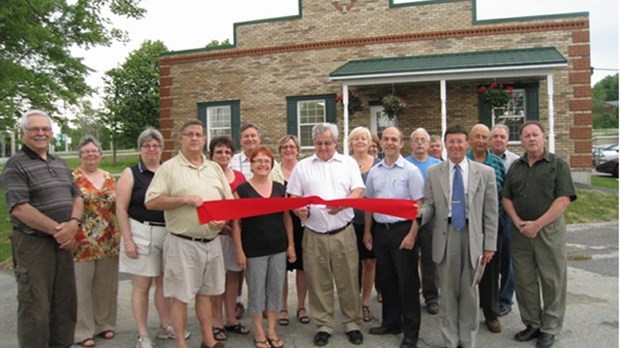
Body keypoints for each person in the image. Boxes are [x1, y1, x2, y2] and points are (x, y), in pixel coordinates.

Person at [145, 119, 232, 348]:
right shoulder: (169, 168)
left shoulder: (213, 167)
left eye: (199, 134)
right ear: (180, 138)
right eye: (190, 134)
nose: (195, 138)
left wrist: (222, 220)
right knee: (180, 297)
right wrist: (184, 200)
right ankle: (181, 343)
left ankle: (208, 340)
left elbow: (228, 201)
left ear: (204, 139)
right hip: (182, 243)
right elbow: (151, 201)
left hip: (211, 242)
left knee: (206, 294)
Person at [1, 110, 83, 348]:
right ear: (23, 132)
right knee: (35, 307)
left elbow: (77, 196)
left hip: (63, 244)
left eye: (45, 129)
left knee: (64, 304)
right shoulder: (15, 165)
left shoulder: (59, 163)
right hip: (34, 245)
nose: (41, 133)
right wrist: (60, 230)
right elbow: (19, 208)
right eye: (35, 129)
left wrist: (73, 223)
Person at [419, 124, 498, 348]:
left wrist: (489, 245)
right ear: (445, 144)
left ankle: (467, 340)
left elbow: (491, 213)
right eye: (451, 141)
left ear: (467, 144)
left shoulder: (485, 173)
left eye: (459, 141)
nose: (455, 145)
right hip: (446, 237)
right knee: (448, 294)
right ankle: (450, 340)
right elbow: (430, 206)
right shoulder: (434, 173)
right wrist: (418, 215)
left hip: (473, 237)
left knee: (470, 293)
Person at [287, 123, 365, 347]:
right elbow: (293, 195)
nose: (323, 147)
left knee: (348, 279)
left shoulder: (348, 163)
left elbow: (358, 191)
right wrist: (297, 209)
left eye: (327, 143)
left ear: (336, 142)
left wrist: (342, 204)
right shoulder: (302, 166)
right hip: (313, 233)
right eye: (319, 143)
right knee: (318, 281)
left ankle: (352, 323)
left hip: (343, 232)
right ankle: (324, 324)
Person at [502, 121, 577, 348]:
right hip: (520, 232)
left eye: (535, 134)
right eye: (526, 136)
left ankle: (550, 327)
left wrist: (537, 224)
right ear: (522, 140)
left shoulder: (557, 165)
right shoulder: (516, 167)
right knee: (524, 281)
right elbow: (506, 197)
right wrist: (518, 222)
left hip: (548, 231)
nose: (531, 139)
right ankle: (533, 323)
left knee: (552, 280)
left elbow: (563, 199)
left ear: (543, 137)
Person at [117, 127, 189, 348]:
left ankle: (166, 325)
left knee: (164, 284)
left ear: (161, 148)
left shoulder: (167, 170)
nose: (152, 149)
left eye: (156, 145)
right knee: (142, 285)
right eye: (147, 145)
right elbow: (120, 208)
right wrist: (128, 240)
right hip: (140, 233)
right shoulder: (131, 173)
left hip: (168, 233)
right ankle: (143, 334)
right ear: (140, 149)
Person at [364, 127, 424, 348]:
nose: (389, 143)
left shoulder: (411, 171)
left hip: (403, 232)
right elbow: (369, 204)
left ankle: (411, 332)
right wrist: (368, 231)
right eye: (386, 139)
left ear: (401, 144)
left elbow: (419, 207)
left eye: (394, 139)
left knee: (407, 283)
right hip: (381, 232)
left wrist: (412, 234)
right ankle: (391, 322)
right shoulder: (375, 171)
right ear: (381, 143)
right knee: (386, 280)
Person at [232, 146, 296, 348]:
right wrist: (239, 250)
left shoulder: (280, 188)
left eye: (266, 161)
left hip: (278, 248)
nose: (262, 165)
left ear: (271, 165)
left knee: (275, 289)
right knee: (257, 291)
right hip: (254, 250)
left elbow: (287, 218)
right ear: (251, 165)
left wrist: (291, 245)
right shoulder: (241, 191)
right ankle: (259, 332)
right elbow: (236, 224)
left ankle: (271, 330)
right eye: (258, 161)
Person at [72, 136, 120, 347]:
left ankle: (105, 324)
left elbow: (118, 206)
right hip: (82, 240)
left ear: (101, 154)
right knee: (81, 287)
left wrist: (116, 200)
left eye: (95, 151)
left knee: (106, 285)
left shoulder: (109, 177)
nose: (91, 154)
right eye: (86, 151)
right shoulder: (72, 177)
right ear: (80, 155)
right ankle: (83, 331)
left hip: (108, 239)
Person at [208, 136, 250, 341]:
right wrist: (220, 224)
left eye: (227, 152)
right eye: (219, 152)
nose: (223, 155)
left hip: (236, 233)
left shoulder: (240, 176)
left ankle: (231, 317)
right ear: (212, 155)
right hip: (216, 234)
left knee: (233, 275)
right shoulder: (206, 175)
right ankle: (216, 321)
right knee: (216, 278)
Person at [466, 124, 505, 334]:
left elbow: (505, 193)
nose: (481, 140)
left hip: (491, 223)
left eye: (484, 137)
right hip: (467, 224)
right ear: (470, 140)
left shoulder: (497, 164)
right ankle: (469, 311)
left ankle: (491, 313)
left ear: (489, 140)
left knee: (490, 270)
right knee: (468, 269)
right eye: (477, 137)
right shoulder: (463, 162)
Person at [270, 135, 310, 326]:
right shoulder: (273, 172)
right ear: (280, 150)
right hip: (280, 225)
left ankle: (301, 306)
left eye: (292, 147)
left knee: (303, 267)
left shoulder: (305, 169)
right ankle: (283, 307)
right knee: (282, 269)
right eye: (284, 147)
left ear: (297, 149)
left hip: (303, 223)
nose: (288, 150)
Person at [405, 128, 441, 315]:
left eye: (423, 140)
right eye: (416, 140)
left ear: (428, 144)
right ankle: (410, 296)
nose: (419, 143)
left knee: (429, 260)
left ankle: (431, 297)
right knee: (408, 260)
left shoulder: (438, 165)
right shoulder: (404, 164)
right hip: (408, 219)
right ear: (410, 144)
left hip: (430, 218)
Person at [348, 126, 379, 323]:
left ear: (369, 143)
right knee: (351, 265)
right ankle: (352, 301)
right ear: (351, 143)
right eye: (356, 139)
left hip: (372, 221)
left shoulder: (378, 165)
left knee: (369, 262)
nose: (360, 142)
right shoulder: (345, 164)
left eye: (364, 138)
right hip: (349, 222)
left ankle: (365, 302)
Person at [489, 124, 520, 317]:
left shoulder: (516, 162)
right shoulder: (482, 159)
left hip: (508, 215)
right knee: (490, 257)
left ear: (507, 140)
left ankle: (505, 299)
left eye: (502, 137)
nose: (498, 139)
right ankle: (489, 297)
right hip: (487, 216)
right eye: (495, 136)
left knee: (508, 258)